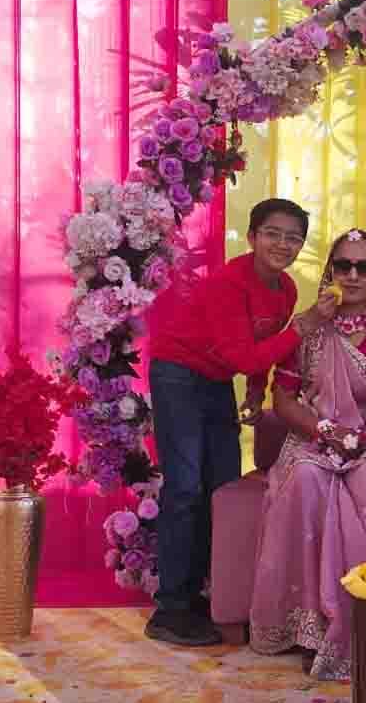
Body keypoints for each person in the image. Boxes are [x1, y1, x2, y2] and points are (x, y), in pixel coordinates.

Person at [143, 198, 336, 648]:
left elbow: (255, 348)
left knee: (223, 487)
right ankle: (171, 608)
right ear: (252, 237)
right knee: (185, 487)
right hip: (177, 374)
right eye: (272, 234)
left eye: (293, 238)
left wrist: (254, 389)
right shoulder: (228, 284)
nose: (282, 244)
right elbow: (246, 354)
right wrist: (302, 327)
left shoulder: (285, 289)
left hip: (215, 379)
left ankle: (212, 595)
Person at [249, 229, 366, 680]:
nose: (352, 275)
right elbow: (282, 399)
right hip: (315, 437)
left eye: (363, 267)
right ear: (331, 270)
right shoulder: (310, 327)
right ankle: (312, 628)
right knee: (306, 481)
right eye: (343, 265)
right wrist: (326, 431)